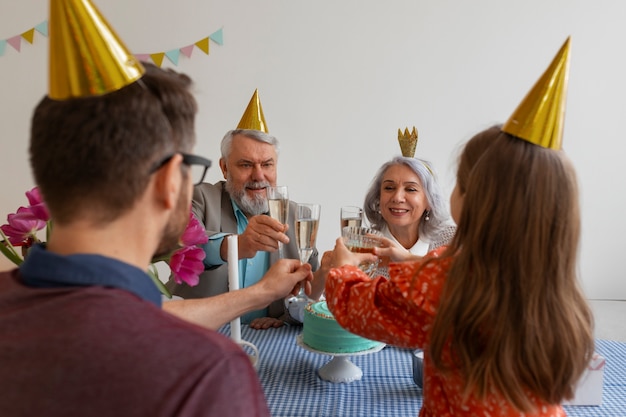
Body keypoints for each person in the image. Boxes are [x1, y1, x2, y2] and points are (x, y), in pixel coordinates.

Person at [0, 1, 311, 416]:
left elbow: (152, 308)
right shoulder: (208, 371)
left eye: (267, 164)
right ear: (170, 182)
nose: (258, 173)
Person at [324, 38, 595, 416]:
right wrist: (408, 261)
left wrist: (342, 269)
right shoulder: (558, 291)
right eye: (389, 187)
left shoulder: (446, 282)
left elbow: (357, 308)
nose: (398, 197)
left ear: (473, 200)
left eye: (459, 182)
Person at [166, 94, 321, 328]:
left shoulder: (297, 217)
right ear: (224, 167)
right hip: (196, 333)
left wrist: (285, 320)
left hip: (265, 343)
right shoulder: (199, 197)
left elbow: (309, 300)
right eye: (246, 165)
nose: (259, 176)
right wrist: (237, 245)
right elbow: (180, 244)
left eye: (267, 164)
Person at [362, 154, 456, 276]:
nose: (397, 198)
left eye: (410, 189)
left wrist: (408, 258)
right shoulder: (362, 248)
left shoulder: (453, 242)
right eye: (389, 188)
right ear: (378, 198)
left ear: (429, 201)